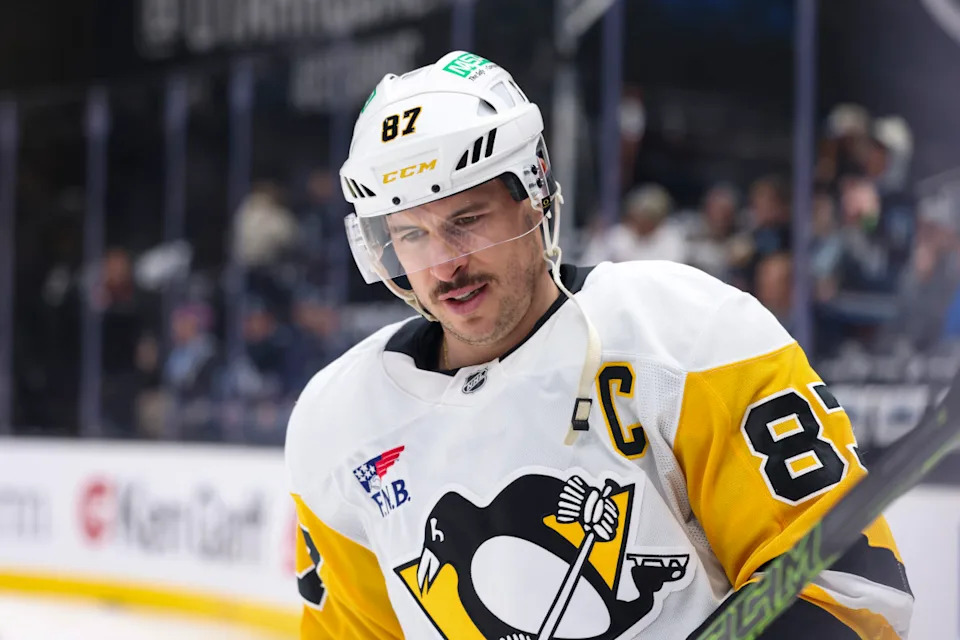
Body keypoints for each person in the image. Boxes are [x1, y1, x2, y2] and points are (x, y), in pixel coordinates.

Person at [285, 51, 912, 640]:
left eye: (468, 221)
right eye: (411, 235)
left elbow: (851, 591)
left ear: (533, 192)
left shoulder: (686, 334)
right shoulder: (338, 421)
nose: (444, 266)